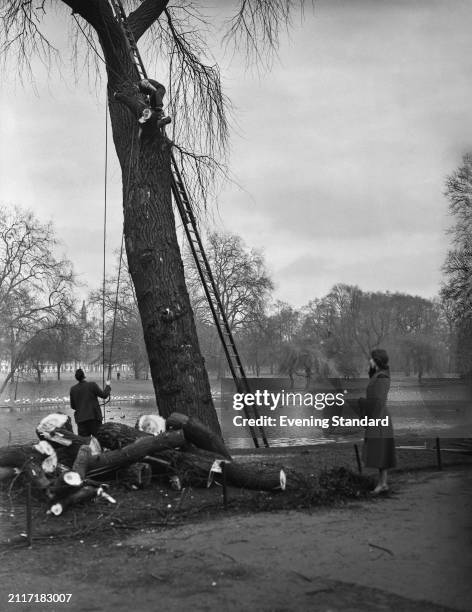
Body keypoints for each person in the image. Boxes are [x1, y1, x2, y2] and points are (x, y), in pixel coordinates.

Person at [355, 349, 396, 495]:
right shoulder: (377, 375)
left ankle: (383, 483)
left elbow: (378, 401)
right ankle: (383, 482)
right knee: (380, 449)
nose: (369, 361)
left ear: (377, 360)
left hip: (379, 417)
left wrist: (363, 404)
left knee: (381, 449)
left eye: (371, 359)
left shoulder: (382, 377)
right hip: (376, 416)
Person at [69, 368, 111, 437]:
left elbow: (73, 406)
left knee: (84, 443)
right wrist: (108, 386)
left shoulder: (73, 389)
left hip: (81, 421)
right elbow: (104, 395)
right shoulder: (92, 385)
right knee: (98, 442)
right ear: (84, 376)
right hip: (94, 419)